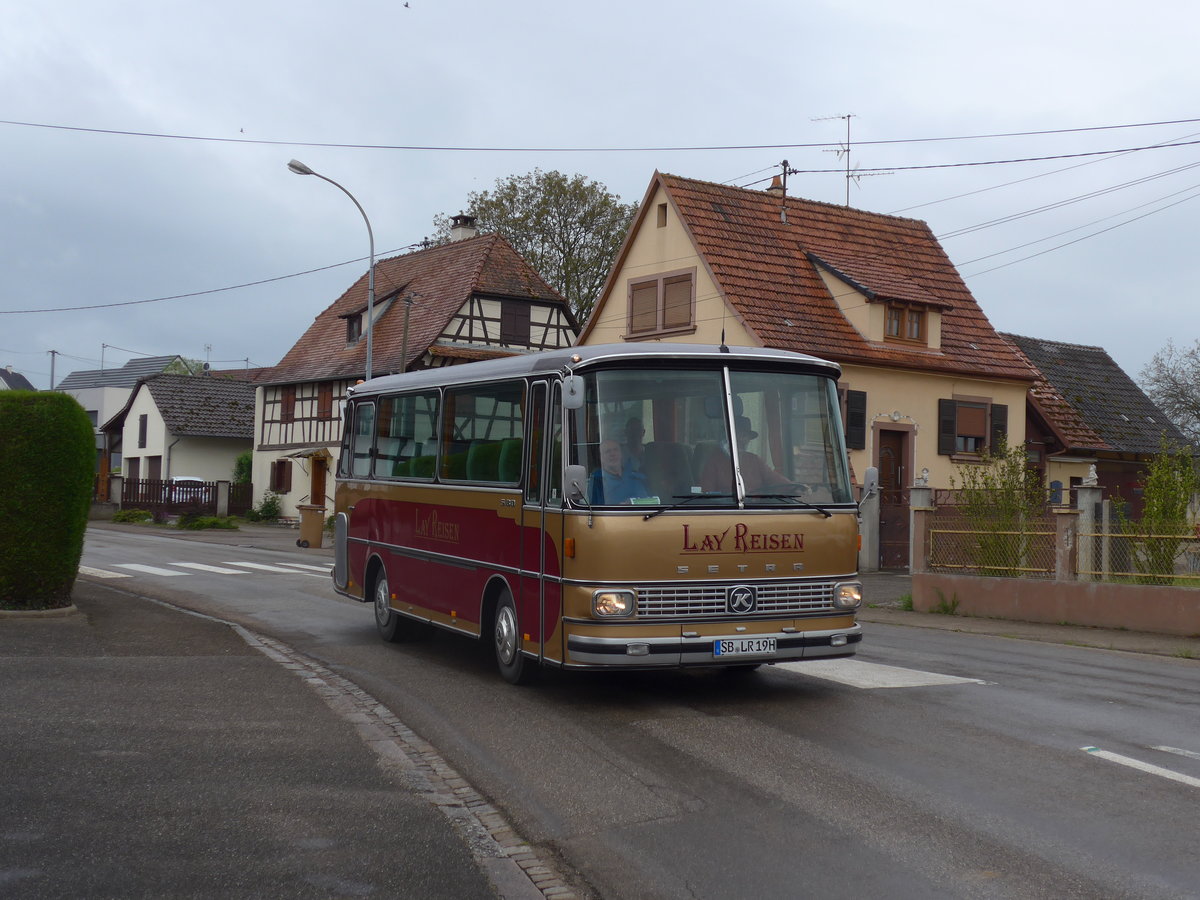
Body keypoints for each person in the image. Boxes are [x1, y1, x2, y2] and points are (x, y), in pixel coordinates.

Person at [700, 416, 788, 494]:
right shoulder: (714, 461)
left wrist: (796, 488)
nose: (743, 440)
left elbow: (775, 479)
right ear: (729, 437)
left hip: (756, 509)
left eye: (746, 436)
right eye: (739, 435)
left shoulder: (755, 460)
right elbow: (707, 493)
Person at [590, 438, 649, 504]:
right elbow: (596, 509)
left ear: (621, 454)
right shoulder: (598, 479)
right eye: (607, 451)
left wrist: (632, 503)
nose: (612, 454)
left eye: (615, 450)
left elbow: (649, 502)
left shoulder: (635, 477)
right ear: (601, 458)